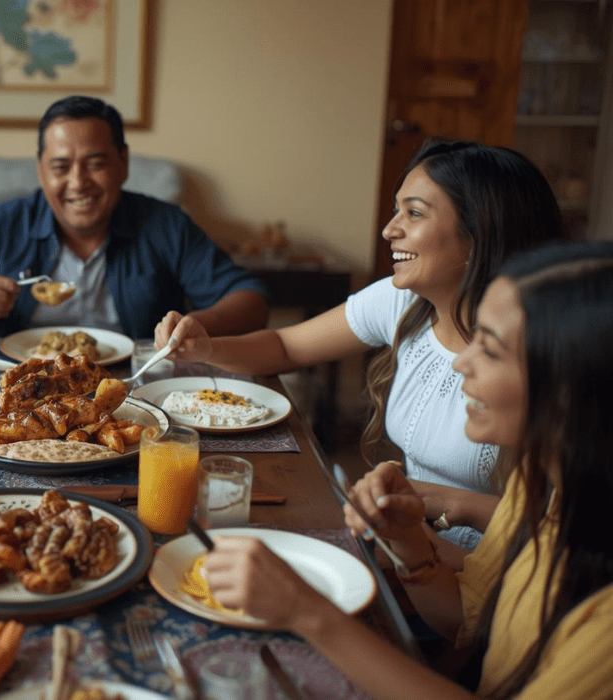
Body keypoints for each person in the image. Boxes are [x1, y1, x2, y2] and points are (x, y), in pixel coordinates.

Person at [199, 242, 613, 699]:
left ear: (574, 390)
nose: (461, 362)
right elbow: (464, 620)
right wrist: (408, 538)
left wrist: (308, 613)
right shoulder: (541, 487)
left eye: (490, 350)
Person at [157, 140, 569, 556]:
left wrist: (452, 505)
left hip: (505, 570)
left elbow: (576, 533)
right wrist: (205, 347)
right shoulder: (403, 301)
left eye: (414, 213)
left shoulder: (550, 351)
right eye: (396, 210)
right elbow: (285, 345)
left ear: (481, 230)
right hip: (412, 545)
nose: (390, 229)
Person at [0, 95, 269, 339]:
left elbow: (251, 300)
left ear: (123, 163)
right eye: (61, 167)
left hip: (129, 386)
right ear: (41, 170)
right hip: (15, 390)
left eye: (95, 165)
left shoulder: (164, 224)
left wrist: (198, 323)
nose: (78, 183)